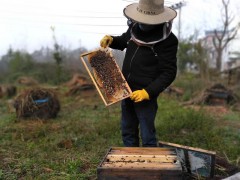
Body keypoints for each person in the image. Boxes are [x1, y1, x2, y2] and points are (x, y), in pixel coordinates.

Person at [100, 0, 178, 147]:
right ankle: (131, 161)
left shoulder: (168, 41)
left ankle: (149, 165)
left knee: (147, 133)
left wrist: (148, 92)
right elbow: (123, 41)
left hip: (145, 95)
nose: (142, 23)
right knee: (127, 129)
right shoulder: (134, 29)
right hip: (125, 89)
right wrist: (112, 40)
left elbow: (169, 72)